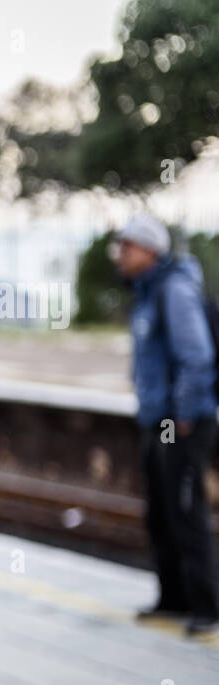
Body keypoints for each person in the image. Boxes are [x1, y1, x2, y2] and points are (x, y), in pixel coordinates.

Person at [112, 213, 219, 636]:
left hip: (182, 422)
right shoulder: (146, 292)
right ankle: (173, 599)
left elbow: (197, 357)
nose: (120, 255)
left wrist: (185, 414)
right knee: (161, 510)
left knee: (187, 509)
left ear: (150, 250)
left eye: (127, 247)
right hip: (158, 420)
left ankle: (207, 606)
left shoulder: (173, 290)